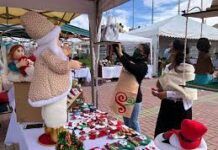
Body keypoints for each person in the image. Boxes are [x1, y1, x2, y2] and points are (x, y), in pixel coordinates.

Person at [21, 11, 82, 145]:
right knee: (56, 111)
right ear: (50, 38)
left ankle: (51, 131)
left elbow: (57, 59)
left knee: (50, 111)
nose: (59, 41)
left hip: (52, 88)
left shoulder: (45, 50)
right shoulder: (47, 52)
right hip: (53, 90)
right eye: (57, 38)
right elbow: (58, 66)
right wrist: (71, 64)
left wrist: (64, 53)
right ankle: (57, 135)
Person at [152, 39, 197, 137]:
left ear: (176, 51)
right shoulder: (168, 67)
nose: (168, 50)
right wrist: (159, 91)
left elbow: (188, 93)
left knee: (179, 138)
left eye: (170, 48)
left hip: (181, 109)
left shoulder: (188, 69)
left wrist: (167, 94)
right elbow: (162, 85)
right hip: (167, 106)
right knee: (162, 136)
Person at [114, 43, 149, 132]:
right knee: (126, 121)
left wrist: (121, 55)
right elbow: (124, 57)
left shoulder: (143, 66)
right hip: (126, 95)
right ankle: (128, 137)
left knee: (133, 122)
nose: (136, 50)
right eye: (136, 48)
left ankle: (139, 140)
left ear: (144, 55)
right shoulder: (135, 60)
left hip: (135, 98)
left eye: (139, 50)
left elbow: (130, 66)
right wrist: (116, 46)